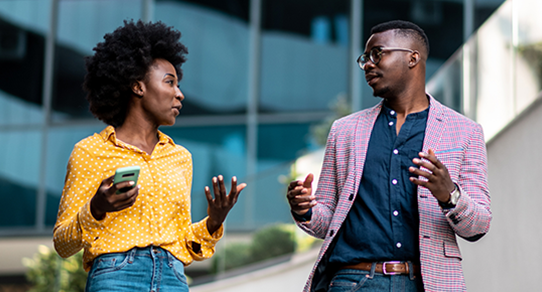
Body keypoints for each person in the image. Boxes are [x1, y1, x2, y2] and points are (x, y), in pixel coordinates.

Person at [287, 20, 491, 292]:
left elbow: (478, 225)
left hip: (428, 284)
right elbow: (327, 221)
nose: (368, 65)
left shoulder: (465, 132)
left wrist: (449, 194)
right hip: (353, 282)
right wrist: (305, 209)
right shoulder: (345, 131)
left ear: (412, 58)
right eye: (364, 59)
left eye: (377, 54)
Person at [53, 20, 246, 292]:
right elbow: (62, 244)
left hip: (173, 278)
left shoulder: (180, 157)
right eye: (170, 83)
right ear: (137, 87)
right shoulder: (90, 152)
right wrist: (96, 208)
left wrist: (215, 220)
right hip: (116, 278)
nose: (179, 94)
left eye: (178, 85)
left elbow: (183, 242)